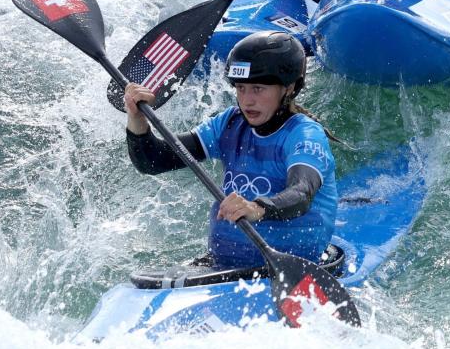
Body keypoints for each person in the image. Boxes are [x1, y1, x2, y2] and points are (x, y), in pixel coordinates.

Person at [123, 31, 337, 270]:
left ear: (289, 88)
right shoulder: (229, 124)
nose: (246, 101)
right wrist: (137, 118)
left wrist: (257, 207)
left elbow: (301, 194)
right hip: (222, 267)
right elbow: (153, 161)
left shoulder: (304, 134)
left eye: (258, 88)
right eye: (241, 88)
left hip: (292, 267)